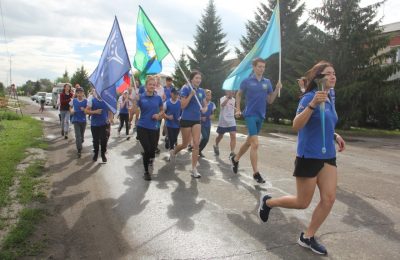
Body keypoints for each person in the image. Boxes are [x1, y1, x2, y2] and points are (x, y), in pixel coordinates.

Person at [258, 61, 346, 256]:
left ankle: (307, 236)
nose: (333, 76)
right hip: (309, 154)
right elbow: (296, 125)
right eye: (328, 73)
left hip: (328, 156)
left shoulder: (331, 96)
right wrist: (313, 104)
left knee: (329, 198)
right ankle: (268, 202)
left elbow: (326, 123)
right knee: (302, 202)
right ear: (319, 78)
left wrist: (335, 136)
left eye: (334, 73)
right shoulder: (308, 98)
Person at [230, 57, 282, 183]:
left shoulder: (267, 82)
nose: (261, 69)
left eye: (263, 67)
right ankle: (256, 173)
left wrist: (276, 89)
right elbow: (239, 94)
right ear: (254, 67)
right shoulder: (247, 81)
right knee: (255, 144)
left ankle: (236, 159)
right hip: (250, 115)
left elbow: (270, 100)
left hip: (261, 115)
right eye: (259, 66)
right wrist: (238, 109)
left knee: (249, 142)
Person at [170, 70, 208, 178]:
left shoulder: (201, 91)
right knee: (185, 144)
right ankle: (174, 152)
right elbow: (182, 105)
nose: (198, 80)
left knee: (196, 144)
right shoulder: (186, 88)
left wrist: (205, 109)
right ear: (191, 79)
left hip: (197, 120)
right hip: (186, 119)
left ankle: (194, 169)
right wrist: (191, 95)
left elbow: (205, 104)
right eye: (196, 78)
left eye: (199, 78)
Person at [134, 76, 164, 181]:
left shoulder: (158, 98)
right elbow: (135, 111)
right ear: (146, 86)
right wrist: (135, 101)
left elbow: (162, 110)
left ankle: (150, 157)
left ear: (155, 86)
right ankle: (146, 172)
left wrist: (158, 115)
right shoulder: (141, 97)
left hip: (154, 127)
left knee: (153, 149)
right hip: (142, 127)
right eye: (150, 84)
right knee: (147, 149)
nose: (152, 86)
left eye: (153, 84)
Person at [85, 89, 113, 163]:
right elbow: (86, 111)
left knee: (104, 140)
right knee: (96, 140)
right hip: (94, 124)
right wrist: (95, 112)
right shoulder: (92, 100)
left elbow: (110, 111)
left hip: (104, 124)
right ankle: (96, 154)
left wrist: (109, 119)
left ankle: (103, 154)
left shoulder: (106, 100)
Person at [213, 90, 237, 159]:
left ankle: (232, 152)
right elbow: (222, 105)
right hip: (223, 121)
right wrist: (228, 98)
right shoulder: (222, 98)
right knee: (220, 136)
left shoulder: (234, 99)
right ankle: (216, 145)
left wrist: (236, 112)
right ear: (227, 92)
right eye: (231, 92)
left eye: (233, 92)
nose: (233, 93)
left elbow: (232, 108)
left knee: (233, 135)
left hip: (231, 120)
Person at [163, 87, 181, 161]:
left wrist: (180, 117)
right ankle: (171, 153)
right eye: (175, 94)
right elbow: (162, 113)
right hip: (169, 124)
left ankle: (167, 141)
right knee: (171, 138)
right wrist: (167, 116)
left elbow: (183, 112)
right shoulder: (166, 103)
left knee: (174, 138)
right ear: (171, 94)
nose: (176, 95)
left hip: (177, 124)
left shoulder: (180, 102)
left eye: (177, 94)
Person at [69, 87, 87, 158]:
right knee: (78, 136)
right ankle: (79, 150)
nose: (79, 94)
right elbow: (70, 107)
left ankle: (81, 140)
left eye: (81, 92)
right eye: (78, 92)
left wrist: (84, 109)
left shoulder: (86, 101)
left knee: (81, 136)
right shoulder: (74, 100)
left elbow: (88, 110)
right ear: (76, 93)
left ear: (83, 93)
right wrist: (71, 111)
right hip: (76, 120)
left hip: (83, 121)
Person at [199, 89, 216, 157]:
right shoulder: (201, 103)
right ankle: (197, 149)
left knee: (206, 139)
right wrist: (201, 118)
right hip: (201, 123)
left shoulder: (212, 104)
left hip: (208, 124)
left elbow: (213, 114)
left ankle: (199, 150)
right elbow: (196, 113)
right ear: (204, 96)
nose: (209, 96)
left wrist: (212, 116)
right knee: (205, 137)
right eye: (207, 95)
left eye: (210, 95)